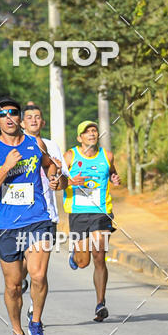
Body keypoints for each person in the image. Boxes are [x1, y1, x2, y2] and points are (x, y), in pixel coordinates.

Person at [0, 97, 64, 335]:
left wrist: (55, 179)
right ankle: (17, 334)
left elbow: (52, 167)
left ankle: (35, 322)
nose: (9, 118)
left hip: (38, 219)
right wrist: (6, 168)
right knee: (14, 286)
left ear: (19, 118)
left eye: (13, 113)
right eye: (3, 115)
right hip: (7, 226)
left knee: (37, 276)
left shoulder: (34, 143)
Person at [63, 121, 121, 322]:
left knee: (99, 255)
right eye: (87, 132)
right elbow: (57, 180)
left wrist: (114, 177)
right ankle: (75, 254)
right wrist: (70, 181)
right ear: (80, 138)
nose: (91, 134)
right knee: (83, 262)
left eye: (94, 131)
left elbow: (112, 170)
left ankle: (100, 303)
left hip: (101, 212)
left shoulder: (107, 155)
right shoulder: (70, 156)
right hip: (78, 213)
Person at [21, 104, 69, 316]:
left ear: (43, 122)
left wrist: (58, 181)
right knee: (21, 271)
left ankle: (35, 312)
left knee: (38, 273)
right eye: (29, 117)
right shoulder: (13, 146)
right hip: (17, 218)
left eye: (37, 117)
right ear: (22, 123)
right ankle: (20, 283)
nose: (33, 120)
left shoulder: (51, 146)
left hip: (45, 215)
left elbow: (64, 179)